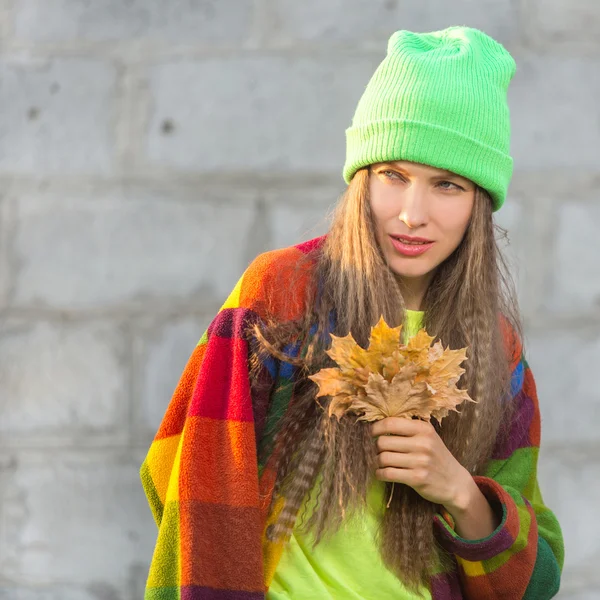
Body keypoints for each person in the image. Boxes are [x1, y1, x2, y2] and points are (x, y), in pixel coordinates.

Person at [140, 26, 565, 599]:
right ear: (361, 178)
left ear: (479, 205)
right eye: (393, 176)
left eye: (447, 185)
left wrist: (461, 492)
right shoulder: (283, 295)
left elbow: (535, 581)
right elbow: (188, 477)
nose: (412, 214)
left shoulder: (493, 346)